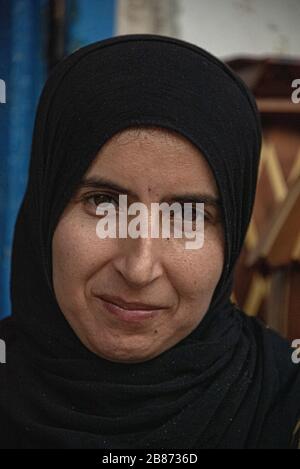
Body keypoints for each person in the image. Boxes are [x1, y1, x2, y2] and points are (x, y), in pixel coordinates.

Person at [0, 34, 299, 449]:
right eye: (103, 203)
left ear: (231, 236)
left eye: (188, 216)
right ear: (46, 208)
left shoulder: (286, 406)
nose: (139, 269)